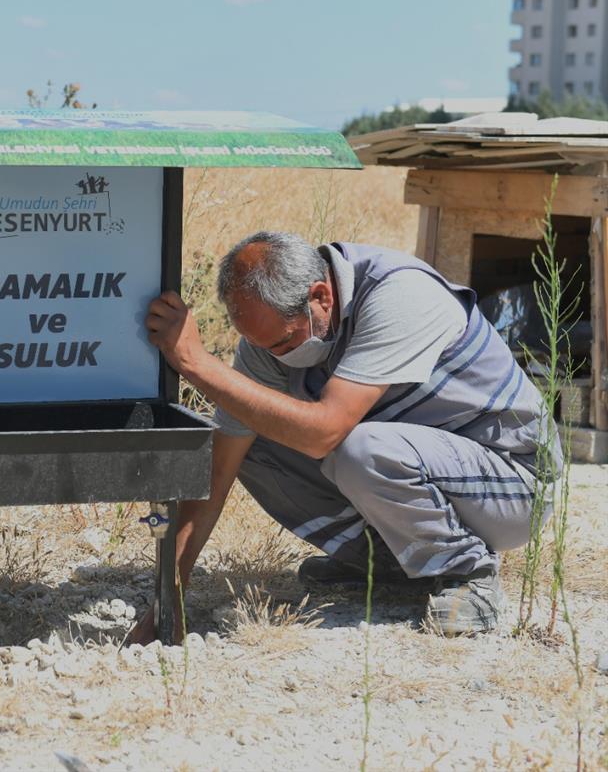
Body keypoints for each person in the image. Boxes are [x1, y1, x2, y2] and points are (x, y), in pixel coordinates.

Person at [132, 231, 558, 641]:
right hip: (426, 467)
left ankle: (468, 573)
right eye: (262, 347)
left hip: (513, 482)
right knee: (253, 435)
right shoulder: (269, 341)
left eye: (282, 342)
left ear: (321, 296)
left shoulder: (401, 295)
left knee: (361, 448)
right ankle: (388, 562)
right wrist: (169, 596)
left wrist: (198, 365)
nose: (275, 357)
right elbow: (220, 468)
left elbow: (325, 432)